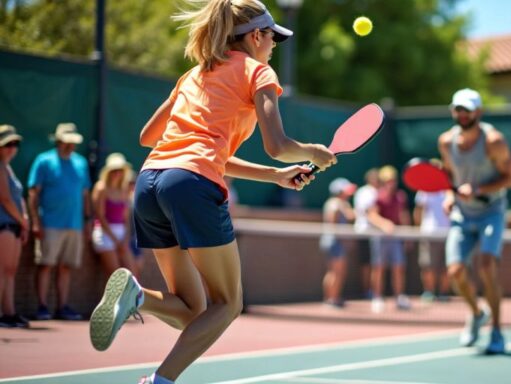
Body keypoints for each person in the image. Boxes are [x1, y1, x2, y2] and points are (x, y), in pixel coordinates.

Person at [87, 2, 336, 383]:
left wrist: (275, 176)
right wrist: (313, 152)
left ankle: (137, 296)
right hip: (192, 185)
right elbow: (277, 144)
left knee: (193, 312)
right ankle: (160, 381)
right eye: (273, 38)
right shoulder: (259, 72)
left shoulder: (192, 76)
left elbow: (148, 138)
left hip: (150, 183)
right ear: (256, 36)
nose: (273, 46)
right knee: (228, 302)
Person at [439, 88, 511, 354]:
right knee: (455, 272)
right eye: (457, 109)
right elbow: (449, 174)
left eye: (467, 110)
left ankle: (497, 331)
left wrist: (479, 189)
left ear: (478, 112)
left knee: (486, 265)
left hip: (491, 210)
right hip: (462, 213)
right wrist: (449, 196)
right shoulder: (446, 142)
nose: (461, 115)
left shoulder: (494, 141)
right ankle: (476, 313)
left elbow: (510, 178)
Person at [27, 122, 92, 321]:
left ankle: (62, 307)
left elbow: (85, 194)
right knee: (46, 264)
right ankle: (42, 307)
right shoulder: (44, 161)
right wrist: (35, 222)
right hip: (50, 223)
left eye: (73, 142)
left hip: (74, 225)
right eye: (67, 142)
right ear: (58, 141)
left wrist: (88, 221)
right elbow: (33, 193)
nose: (71, 145)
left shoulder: (81, 163)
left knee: (66, 266)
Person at [367, 165, 411, 312]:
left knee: (399, 267)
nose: (391, 183)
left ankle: (399, 297)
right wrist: (384, 224)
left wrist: (407, 236)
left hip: (396, 237)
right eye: (388, 180)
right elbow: (372, 215)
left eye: (393, 180)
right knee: (378, 268)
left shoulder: (400, 196)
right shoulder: (378, 196)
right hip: (380, 237)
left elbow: (404, 215)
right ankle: (377, 297)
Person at [0, 125, 29, 328]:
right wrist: (23, 220)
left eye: (15, 144)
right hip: (5, 225)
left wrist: (24, 220)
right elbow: (6, 199)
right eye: (8, 144)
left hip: (14, 225)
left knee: (10, 270)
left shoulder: (8, 168)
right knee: (2, 270)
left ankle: (9, 313)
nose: (12, 148)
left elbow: (18, 199)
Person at [92, 153, 135, 277]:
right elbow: (100, 215)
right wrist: (116, 241)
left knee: (133, 276)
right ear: (108, 171)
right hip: (105, 234)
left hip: (121, 235)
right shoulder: (101, 188)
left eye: (120, 170)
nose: (117, 173)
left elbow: (126, 219)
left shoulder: (124, 190)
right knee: (116, 277)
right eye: (114, 170)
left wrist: (125, 239)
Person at [413, 173, 451, 303]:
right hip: (428, 233)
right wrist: (419, 229)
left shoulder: (450, 189)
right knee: (428, 265)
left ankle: (443, 293)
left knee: (448, 266)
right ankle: (429, 292)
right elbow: (418, 211)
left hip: (448, 234)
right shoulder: (424, 190)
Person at [320, 178, 356, 308]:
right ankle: (331, 299)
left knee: (335, 271)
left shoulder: (340, 203)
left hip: (334, 241)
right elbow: (335, 221)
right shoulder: (336, 203)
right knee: (335, 272)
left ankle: (332, 298)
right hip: (335, 242)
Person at [353, 168, 378, 299]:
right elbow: (370, 213)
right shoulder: (370, 192)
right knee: (369, 264)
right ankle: (369, 291)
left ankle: (370, 291)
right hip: (367, 232)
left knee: (370, 264)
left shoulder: (363, 192)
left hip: (367, 232)